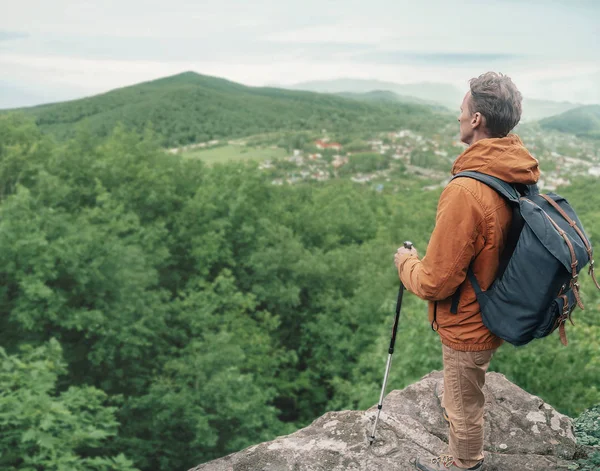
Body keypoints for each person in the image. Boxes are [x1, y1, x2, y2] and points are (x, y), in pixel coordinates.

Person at [394, 72, 540, 471]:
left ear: (476, 120)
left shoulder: (466, 190)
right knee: (467, 395)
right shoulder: (514, 169)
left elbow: (435, 281)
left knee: (461, 405)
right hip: (499, 303)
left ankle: (463, 464)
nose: (458, 117)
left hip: (469, 321)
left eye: (462, 111)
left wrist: (404, 262)